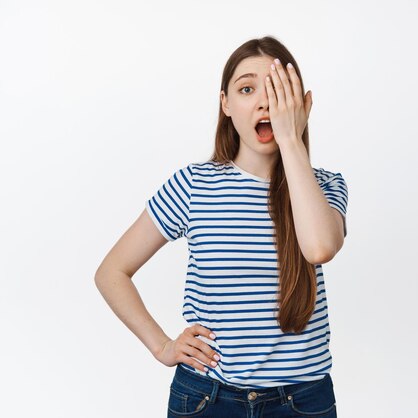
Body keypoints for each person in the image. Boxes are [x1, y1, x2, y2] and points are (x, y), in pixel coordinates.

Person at [94, 35, 348, 417]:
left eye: (278, 90)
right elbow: (112, 272)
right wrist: (162, 345)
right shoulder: (192, 185)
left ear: (299, 104)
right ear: (226, 104)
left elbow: (319, 248)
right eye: (247, 89)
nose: (265, 102)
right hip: (206, 399)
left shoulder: (326, 186)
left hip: (302, 401)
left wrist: (291, 139)